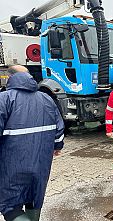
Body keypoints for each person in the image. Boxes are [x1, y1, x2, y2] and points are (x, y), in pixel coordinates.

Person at [0, 65, 64, 221]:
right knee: (34, 199)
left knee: (9, 205)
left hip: (12, 165)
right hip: (41, 164)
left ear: (10, 78)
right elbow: (59, 128)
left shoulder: (5, 99)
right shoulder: (46, 98)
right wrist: (57, 146)